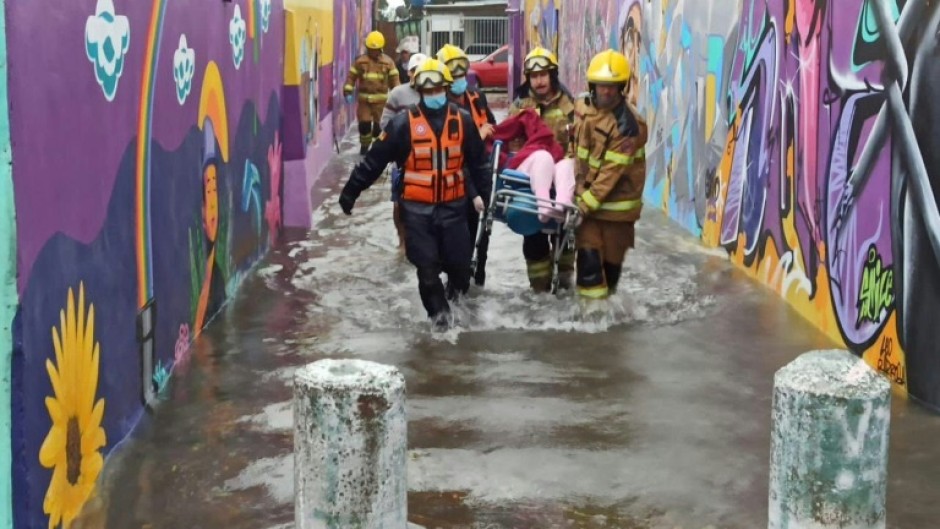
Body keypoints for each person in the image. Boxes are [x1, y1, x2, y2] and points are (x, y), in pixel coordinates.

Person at [339, 58, 492, 331]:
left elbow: (479, 164)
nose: (433, 96)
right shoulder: (402, 124)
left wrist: (486, 199)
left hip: (454, 208)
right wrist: (351, 191)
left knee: (460, 271)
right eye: (427, 91)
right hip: (417, 212)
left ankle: (455, 308)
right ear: (419, 91)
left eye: (438, 90)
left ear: (446, 89)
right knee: (427, 271)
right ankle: (442, 327)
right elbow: (374, 161)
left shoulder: (463, 121)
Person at [570, 49, 648, 300]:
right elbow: (573, 142)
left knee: (610, 274)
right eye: (602, 86)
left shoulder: (628, 125)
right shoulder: (582, 104)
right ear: (592, 85)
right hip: (588, 204)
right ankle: (591, 326)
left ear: (621, 87)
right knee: (589, 267)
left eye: (613, 86)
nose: (607, 92)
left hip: (616, 211)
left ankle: (605, 323)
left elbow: (609, 175)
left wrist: (582, 207)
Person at [505, 46, 579, 292]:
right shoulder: (520, 107)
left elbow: (580, 144)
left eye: (543, 75)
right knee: (534, 237)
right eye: (533, 76)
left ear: (552, 75)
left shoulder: (570, 106)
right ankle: (539, 294)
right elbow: (512, 147)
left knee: (567, 237)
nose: (538, 81)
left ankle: (566, 285)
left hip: (563, 178)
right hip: (532, 182)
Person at [437, 43, 497, 286]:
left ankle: (478, 278)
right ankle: (455, 286)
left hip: (480, 174)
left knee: (482, 234)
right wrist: (477, 135)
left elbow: (492, 125)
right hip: (455, 181)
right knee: (456, 241)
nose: (460, 80)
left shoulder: (476, 97)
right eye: (455, 75)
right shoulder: (439, 108)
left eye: (463, 74)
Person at [381, 52, 427, 250]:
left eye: (422, 71)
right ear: (409, 72)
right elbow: (385, 123)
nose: (418, 75)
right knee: (398, 203)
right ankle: (402, 242)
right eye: (415, 71)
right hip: (402, 160)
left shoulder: (436, 93)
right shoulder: (397, 94)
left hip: (428, 158)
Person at [343, 30, 400, 156]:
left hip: (381, 102)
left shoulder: (388, 62)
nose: (373, 52)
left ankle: (376, 149)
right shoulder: (360, 62)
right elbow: (351, 76)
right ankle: (364, 147)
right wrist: (348, 90)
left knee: (379, 127)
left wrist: (398, 96)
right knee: (364, 125)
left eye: (376, 50)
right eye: (371, 49)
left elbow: (395, 79)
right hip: (364, 101)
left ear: (381, 49)